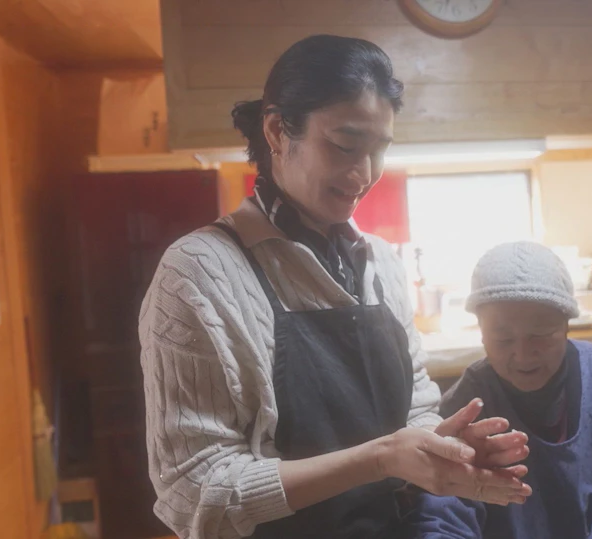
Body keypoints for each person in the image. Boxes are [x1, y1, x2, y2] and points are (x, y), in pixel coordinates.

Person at [138, 35, 531, 539]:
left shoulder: (381, 264)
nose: (363, 174)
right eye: (345, 145)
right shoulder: (199, 272)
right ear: (278, 130)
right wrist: (381, 458)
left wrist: (445, 448)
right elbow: (194, 494)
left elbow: (414, 411)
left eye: (379, 150)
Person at [408, 241, 592, 538]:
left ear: (567, 326)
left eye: (541, 334)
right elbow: (442, 516)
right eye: (503, 339)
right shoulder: (467, 405)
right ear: (481, 331)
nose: (523, 355)